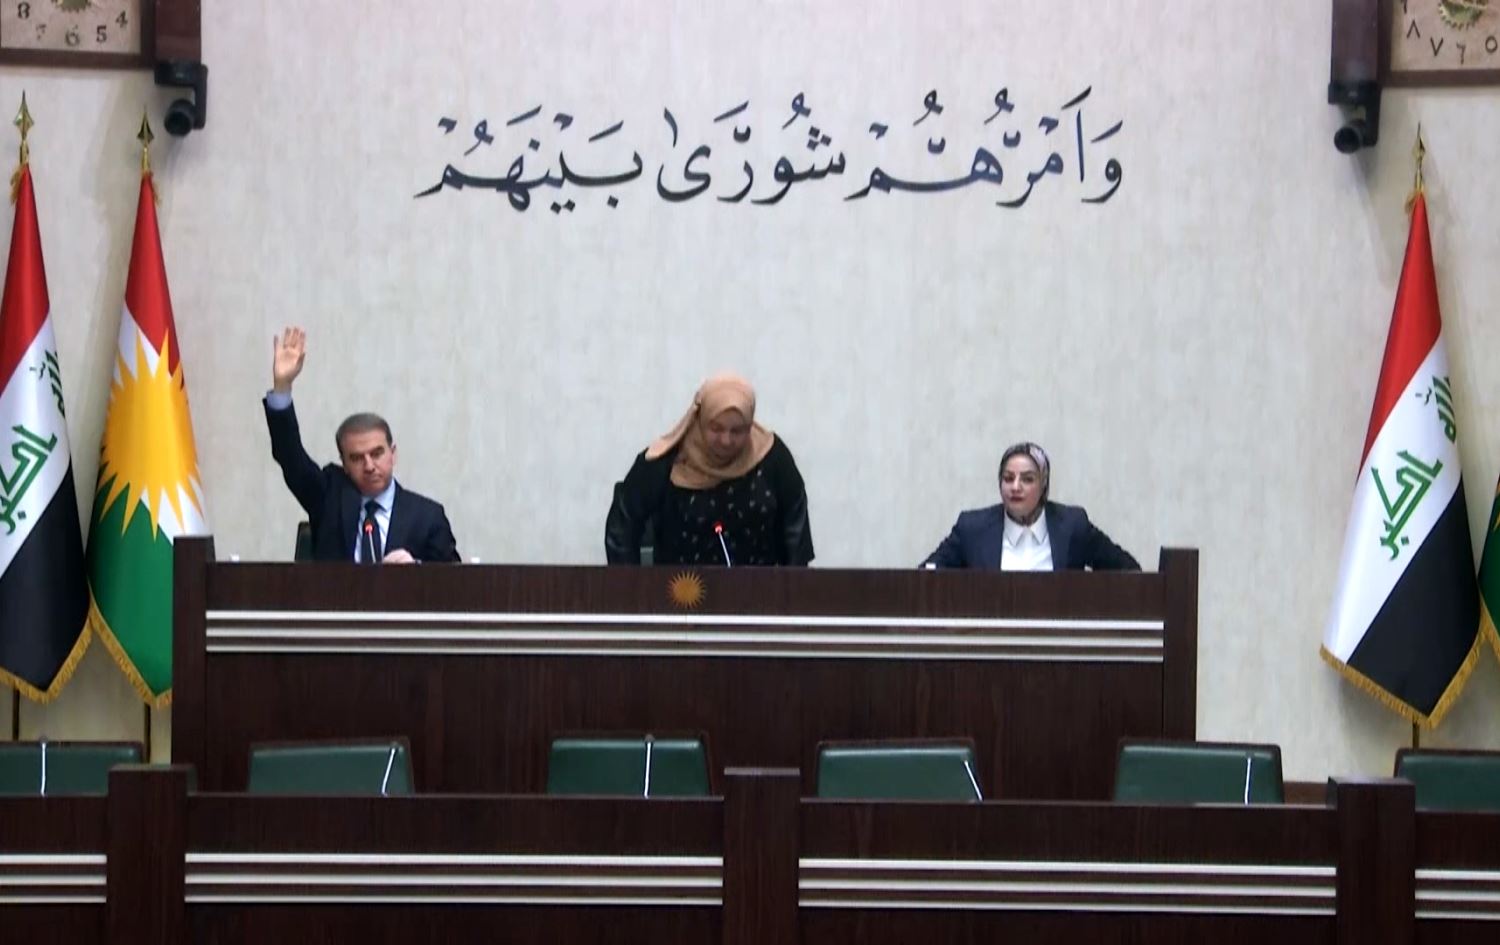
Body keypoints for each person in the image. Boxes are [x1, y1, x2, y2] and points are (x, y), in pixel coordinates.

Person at [263, 326, 460, 564]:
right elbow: (290, 456)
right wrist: (282, 386)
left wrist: (416, 570)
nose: (369, 466)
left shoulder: (427, 516)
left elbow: (454, 580)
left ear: (393, 454)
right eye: (356, 458)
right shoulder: (329, 497)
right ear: (344, 464)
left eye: (377, 453)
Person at [606, 373, 813, 566]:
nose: (726, 440)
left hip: (760, 588)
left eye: (737, 431)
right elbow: (622, 530)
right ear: (700, 420)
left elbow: (795, 532)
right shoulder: (666, 460)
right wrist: (632, 587)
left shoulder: (771, 457)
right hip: (681, 588)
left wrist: (793, 587)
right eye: (716, 428)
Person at [923, 441, 1138, 571]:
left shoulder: (1072, 525)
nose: (1015, 487)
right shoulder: (972, 528)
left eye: (1027, 479)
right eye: (1008, 478)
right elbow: (926, 575)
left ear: (1043, 485)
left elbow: (1127, 570)